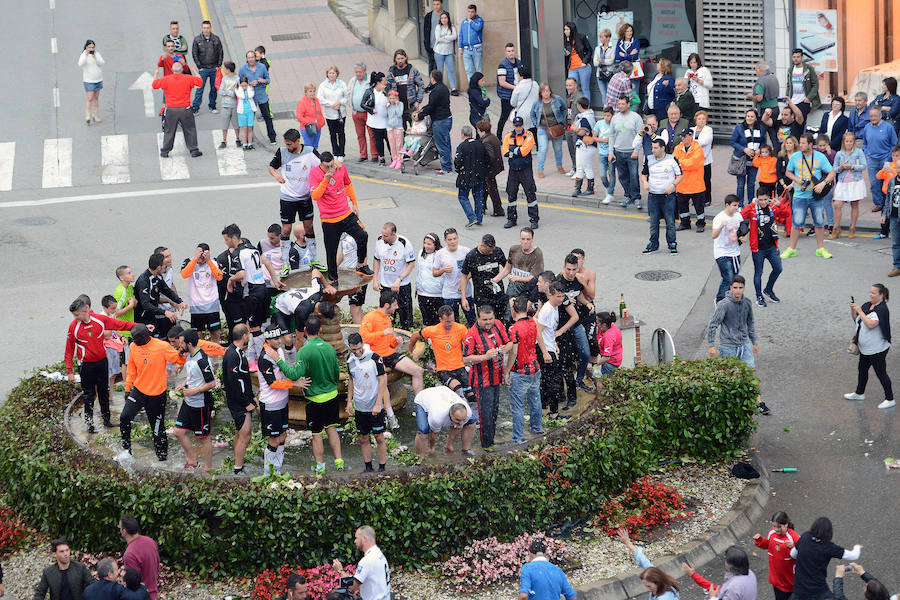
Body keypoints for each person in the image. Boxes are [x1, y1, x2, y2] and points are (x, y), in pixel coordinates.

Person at [65, 296, 136, 432]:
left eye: (77, 315)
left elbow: (120, 325)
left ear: (86, 309)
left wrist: (140, 326)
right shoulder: (74, 327)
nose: (75, 318)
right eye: (74, 316)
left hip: (102, 362)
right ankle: (89, 424)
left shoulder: (100, 320)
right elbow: (69, 350)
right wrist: (69, 371)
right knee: (89, 395)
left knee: (104, 392)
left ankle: (107, 421)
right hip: (86, 365)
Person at [120, 324, 186, 461]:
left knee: (157, 430)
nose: (134, 341)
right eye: (133, 338)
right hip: (138, 391)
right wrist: (127, 388)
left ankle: (162, 459)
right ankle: (127, 451)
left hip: (156, 395)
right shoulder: (133, 346)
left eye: (136, 339)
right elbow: (131, 368)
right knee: (124, 417)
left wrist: (182, 352)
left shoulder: (161, 346)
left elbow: (177, 359)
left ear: (146, 336)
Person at [309, 152, 373, 284]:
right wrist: (326, 179)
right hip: (329, 219)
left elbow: (348, 184)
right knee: (331, 251)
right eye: (327, 166)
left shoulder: (340, 167)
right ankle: (333, 278)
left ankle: (361, 265)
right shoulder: (314, 174)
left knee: (363, 235)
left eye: (332, 165)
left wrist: (354, 203)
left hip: (345, 213)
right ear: (321, 164)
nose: (331, 168)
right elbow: (315, 196)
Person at [463, 304, 512, 449]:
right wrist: (485, 356)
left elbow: (510, 343)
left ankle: (491, 441)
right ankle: (487, 446)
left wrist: (506, 348)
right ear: (478, 318)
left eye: (490, 318)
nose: (488, 322)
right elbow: (465, 359)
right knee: (486, 415)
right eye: (484, 319)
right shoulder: (471, 334)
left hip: (497, 376)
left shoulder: (497, 325)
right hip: (481, 380)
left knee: (494, 412)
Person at [360, 290, 425, 400]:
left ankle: (420, 405)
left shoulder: (387, 319)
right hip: (375, 357)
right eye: (395, 305)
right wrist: (382, 333)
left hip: (389, 354)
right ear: (386, 305)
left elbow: (390, 343)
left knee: (418, 371)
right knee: (380, 380)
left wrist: (396, 341)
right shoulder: (370, 317)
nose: (397, 307)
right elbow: (363, 339)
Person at [269, 129, 321, 263]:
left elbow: (322, 166)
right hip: (287, 197)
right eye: (286, 144)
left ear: (298, 141)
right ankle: (285, 262)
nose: (287, 147)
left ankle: (314, 259)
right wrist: (277, 175)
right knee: (286, 230)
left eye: (290, 144)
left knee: (309, 227)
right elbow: (271, 167)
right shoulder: (282, 152)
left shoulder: (310, 152)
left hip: (305, 197)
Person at [782, 132, 837, 259]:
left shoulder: (820, 157)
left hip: (815, 196)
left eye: (803, 143)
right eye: (800, 143)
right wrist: (796, 179)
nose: (800, 145)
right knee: (796, 223)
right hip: (800, 195)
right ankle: (792, 249)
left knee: (819, 222)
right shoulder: (795, 156)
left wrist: (823, 184)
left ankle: (820, 249)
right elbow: (788, 172)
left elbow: (832, 172)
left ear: (810, 144)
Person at [409, 304, 474, 405]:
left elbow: (469, 345)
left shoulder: (461, 329)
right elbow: (414, 336)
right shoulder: (433, 330)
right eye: (447, 321)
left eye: (452, 320)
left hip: (460, 367)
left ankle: (474, 418)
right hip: (443, 370)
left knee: (471, 396)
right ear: (440, 319)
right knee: (458, 390)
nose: (451, 323)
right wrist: (410, 351)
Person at [172, 329, 217, 473]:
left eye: (181, 343)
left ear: (189, 344)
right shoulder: (190, 354)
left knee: (203, 437)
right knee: (178, 431)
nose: (180, 346)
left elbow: (212, 383)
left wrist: (193, 391)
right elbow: (193, 375)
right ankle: (192, 460)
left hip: (201, 403)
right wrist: (185, 383)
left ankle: (208, 468)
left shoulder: (202, 360)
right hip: (189, 400)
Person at [345, 333, 389, 473]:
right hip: (359, 405)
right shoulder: (350, 360)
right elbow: (351, 380)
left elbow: (382, 380)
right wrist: (349, 402)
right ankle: (368, 467)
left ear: (363, 343)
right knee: (363, 437)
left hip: (374, 405)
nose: (357, 352)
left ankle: (382, 468)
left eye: (359, 349)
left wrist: (378, 403)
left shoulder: (375, 358)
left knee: (379, 437)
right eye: (354, 350)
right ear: (350, 348)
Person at [845, 284, 894, 408]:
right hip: (865, 349)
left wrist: (859, 311)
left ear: (881, 295)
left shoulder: (882, 309)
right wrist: (853, 310)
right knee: (862, 370)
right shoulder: (867, 305)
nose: (870, 295)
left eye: (873, 293)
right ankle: (859, 393)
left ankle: (890, 399)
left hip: (877, 349)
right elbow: (856, 319)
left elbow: (871, 324)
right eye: (870, 292)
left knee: (881, 373)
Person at [790, 517, 862, 600]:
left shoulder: (805, 537)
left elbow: (793, 554)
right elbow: (854, 556)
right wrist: (857, 547)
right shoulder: (829, 547)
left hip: (799, 588)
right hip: (818, 589)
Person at [505, 296, 543, 443]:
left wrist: (506, 371)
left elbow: (513, 353)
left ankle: (518, 437)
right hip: (534, 368)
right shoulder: (533, 322)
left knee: (518, 406)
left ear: (513, 310)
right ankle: (537, 428)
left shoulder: (514, 328)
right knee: (535, 400)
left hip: (520, 371)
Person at [707, 276, 761, 378]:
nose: (738, 291)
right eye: (735, 288)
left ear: (744, 288)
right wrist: (711, 345)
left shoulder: (747, 303)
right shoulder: (724, 305)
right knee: (729, 379)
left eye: (740, 288)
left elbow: (750, 323)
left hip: (745, 346)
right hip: (728, 347)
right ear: (731, 288)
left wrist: (754, 342)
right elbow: (713, 324)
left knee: (751, 377)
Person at [536, 282, 575, 419]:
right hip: (544, 349)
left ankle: (545, 410)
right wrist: (545, 351)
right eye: (558, 296)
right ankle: (552, 413)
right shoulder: (547, 309)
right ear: (551, 294)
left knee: (548, 380)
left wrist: (554, 342)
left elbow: (549, 330)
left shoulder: (555, 307)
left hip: (550, 346)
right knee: (552, 381)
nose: (561, 299)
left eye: (563, 296)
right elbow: (538, 332)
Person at [222, 323, 256, 475]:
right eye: (248, 334)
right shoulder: (232, 355)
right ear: (244, 336)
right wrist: (246, 402)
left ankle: (237, 462)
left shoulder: (238, 352)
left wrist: (252, 396)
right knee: (245, 436)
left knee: (239, 433)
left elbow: (244, 379)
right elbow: (233, 382)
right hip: (238, 403)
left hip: (242, 400)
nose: (249, 337)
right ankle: (238, 469)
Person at [741, 188, 783, 307]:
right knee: (758, 273)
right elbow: (741, 215)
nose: (763, 202)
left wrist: (780, 205)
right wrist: (751, 204)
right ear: (757, 199)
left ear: (769, 198)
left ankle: (768, 290)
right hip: (758, 249)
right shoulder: (753, 209)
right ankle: (759, 296)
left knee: (778, 268)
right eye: (760, 200)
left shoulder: (773, 208)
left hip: (772, 247)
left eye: (765, 199)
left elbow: (786, 215)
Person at [640, 137, 682, 254]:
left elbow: (680, 175)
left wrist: (672, 186)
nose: (653, 150)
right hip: (653, 196)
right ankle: (653, 244)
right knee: (653, 222)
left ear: (662, 148)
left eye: (655, 148)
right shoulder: (649, 159)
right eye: (652, 148)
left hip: (668, 197)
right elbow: (643, 174)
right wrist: (645, 182)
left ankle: (672, 243)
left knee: (670, 222)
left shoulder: (672, 159)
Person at [153, 62, 203, 158]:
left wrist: (155, 74)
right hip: (185, 108)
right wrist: (196, 72)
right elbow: (200, 82)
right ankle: (193, 150)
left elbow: (154, 85)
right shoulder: (188, 78)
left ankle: (165, 151)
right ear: (182, 70)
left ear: (172, 70)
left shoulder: (166, 79)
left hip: (171, 109)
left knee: (169, 130)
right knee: (189, 129)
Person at [615, 528, 680, 600]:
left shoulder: (663, 598)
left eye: (649, 586)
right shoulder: (665, 584)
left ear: (657, 582)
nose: (648, 589)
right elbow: (645, 563)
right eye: (646, 586)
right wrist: (628, 544)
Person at [373, 222, 417, 330]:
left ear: (394, 234)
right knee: (386, 314)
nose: (383, 238)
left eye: (386, 236)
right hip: (385, 285)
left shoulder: (404, 243)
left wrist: (399, 279)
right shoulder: (379, 241)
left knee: (405, 315)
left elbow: (411, 264)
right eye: (382, 235)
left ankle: (407, 335)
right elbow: (376, 259)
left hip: (402, 286)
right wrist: (375, 279)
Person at [413, 385, 477, 458]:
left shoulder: (468, 413)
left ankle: (466, 450)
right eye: (458, 419)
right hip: (423, 398)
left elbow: (457, 427)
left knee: (472, 421)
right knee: (423, 431)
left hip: (443, 391)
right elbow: (433, 433)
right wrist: (432, 448)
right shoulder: (437, 417)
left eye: (463, 420)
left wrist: (449, 444)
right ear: (450, 414)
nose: (461, 422)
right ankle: (420, 458)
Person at [331, 526, 390, 600]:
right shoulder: (379, 554)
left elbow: (351, 587)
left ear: (364, 538)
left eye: (356, 538)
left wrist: (340, 570)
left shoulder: (367, 560)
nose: (355, 541)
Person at [501, 116, 539, 228]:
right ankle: (511, 219)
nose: (518, 128)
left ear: (523, 125)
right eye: (516, 126)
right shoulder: (508, 136)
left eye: (520, 125)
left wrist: (513, 151)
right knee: (511, 194)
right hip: (513, 170)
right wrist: (517, 151)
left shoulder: (529, 135)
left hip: (525, 170)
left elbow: (525, 150)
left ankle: (534, 219)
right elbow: (505, 152)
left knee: (530, 194)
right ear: (513, 125)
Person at [179, 244, 223, 343]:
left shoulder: (214, 262)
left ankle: (214, 358)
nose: (201, 259)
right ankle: (202, 357)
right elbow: (184, 275)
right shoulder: (189, 261)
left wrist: (209, 261)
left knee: (215, 334)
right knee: (198, 336)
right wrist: (195, 259)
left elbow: (219, 277)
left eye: (203, 257)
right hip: (196, 306)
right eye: (199, 255)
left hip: (212, 305)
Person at [752, 511, 800, 600]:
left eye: (779, 527)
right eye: (774, 526)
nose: (776, 529)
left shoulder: (794, 537)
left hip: (790, 582)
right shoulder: (771, 533)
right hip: (776, 581)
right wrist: (760, 540)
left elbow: (804, 555)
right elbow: (768, 545)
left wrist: (792, 548)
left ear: (786, 524)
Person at [608, 95, 644, 210]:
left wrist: (636, 150)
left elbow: (640, 134)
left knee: (633, 176)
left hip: (631, 152)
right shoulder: (615, 118)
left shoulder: (636, 117)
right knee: (623, 176)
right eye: (619, 104)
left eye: (623, 104)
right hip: (618, 152)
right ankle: (628, 196)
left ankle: (636, 197)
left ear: (628, 104)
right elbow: (612, 136)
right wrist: (611, 152)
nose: (620, 106)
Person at [863, 105, 899, 215]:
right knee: (874, 183)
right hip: (872, 160)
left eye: (875, 115)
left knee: (887, 182)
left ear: (880, 116)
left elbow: (894, 143)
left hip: (885, 159)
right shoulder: (867, 127)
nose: (873, 118)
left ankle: (888, 203)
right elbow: (864, 143)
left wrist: (889, 157)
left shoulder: (888, 127)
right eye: (871, 116)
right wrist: (867, 154)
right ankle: (879, 204)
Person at [461, 234, 507, 319]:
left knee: (500, 320)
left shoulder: (497, 251)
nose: (491, 253)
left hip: (498, 293)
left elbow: (507, 267)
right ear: (482, 245)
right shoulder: (471, 256)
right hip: (482, 296)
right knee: (485, 321)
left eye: (492, 250)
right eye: (489, 251)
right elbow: (464, 276)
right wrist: (463, 298)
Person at [434, 228, 474, 324]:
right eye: (450, 239)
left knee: (472, 319)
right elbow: (435, 273)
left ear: (458, 238)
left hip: (466, 292)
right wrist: (443, 270)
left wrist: (463, 282)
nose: (453, 242)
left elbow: (473, 270)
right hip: (449, 293)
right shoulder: (440, 254)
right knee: (452, 322)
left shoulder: (466, 251)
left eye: (454, 238)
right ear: (445, 240)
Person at [493, 226, 544, 301]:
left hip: (528, 289)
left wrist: (517, 278)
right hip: (513, 288)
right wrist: (494, 280)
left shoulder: (537, 253)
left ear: (532, 240)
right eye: (523, 239)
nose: (525, 242)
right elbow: (507, 269)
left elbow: (533, 277)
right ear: (520, 239)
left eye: (528, 239)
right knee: (508, 307)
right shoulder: (514, 249)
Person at [417, 70, 453, 174]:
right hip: (447, 118)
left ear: (433, 78)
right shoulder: (444, 88)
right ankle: (448, 165)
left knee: (441, 145)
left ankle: (446, 168)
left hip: (440, 121)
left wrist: (420, 115)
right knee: (446, 143)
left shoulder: (436, 91)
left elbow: (431, 106)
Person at [833, 132, 866, 238]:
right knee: (837, 204)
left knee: (854, 205)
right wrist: (841, 167)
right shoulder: (839, 153)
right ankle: (836, 228)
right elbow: (834, 169)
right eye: (846, 141)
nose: (848, 143)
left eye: (851, 141)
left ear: (854, 142)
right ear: (843, 142)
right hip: (842, 182)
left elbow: (863, 165)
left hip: (855, 182)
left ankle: (852, 227)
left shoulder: (858, 152)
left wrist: (852, 166)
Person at [454, 125, 489, 227]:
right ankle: (479, 218)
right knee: (478, 196)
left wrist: (459, 170)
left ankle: (471, 217)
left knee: (463, 197)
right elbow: (487, 159)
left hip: (466, 176)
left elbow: (457, 161)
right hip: (479, 175)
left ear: (462, 135)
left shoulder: (462, 146)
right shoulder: (480, 144)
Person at [673, 127, 707, 232]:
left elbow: (694, 163)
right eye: (681, 136)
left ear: (691, 136)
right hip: (682, 184)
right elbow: (674, 162)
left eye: (685, 136)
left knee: (699, 207)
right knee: (682, 207)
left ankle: (701, 224)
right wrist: (683, 163)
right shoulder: (678, 148)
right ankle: (685, 223)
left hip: (696, 185)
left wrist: (681, 163)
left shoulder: (697, 148)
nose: (682, 138)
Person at [711, 196, 744, 302]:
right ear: (727, 205)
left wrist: (743, 237)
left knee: (734, 279)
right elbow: (714, 235)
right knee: (728, 278)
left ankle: (730, 299)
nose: (736, 208)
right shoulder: (719, 218)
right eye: (734, 205)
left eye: (737, 205)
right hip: (722, 253)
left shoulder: (738, 216)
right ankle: (720, 299)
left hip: (735, 252)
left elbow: (743, 229)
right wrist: (721, 226)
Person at [238, 50, 275, 143]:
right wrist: (249, 84)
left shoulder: (262, 67)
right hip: (250, 97)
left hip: (262, 95)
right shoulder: (243, 69)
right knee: (250, 119)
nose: (251, 59)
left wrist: (262, 80)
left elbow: (268, 79)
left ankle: (272, 137)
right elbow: (239, 83)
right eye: (249, 57)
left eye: (252, 57)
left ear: (255, 58)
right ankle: (248, 138)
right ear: (247, 59)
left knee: (267, 117)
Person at [731, 109, 766, 206]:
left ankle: (751, 204)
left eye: (752, 116)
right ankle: (740, 205)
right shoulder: (739, 127)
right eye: (748, 116)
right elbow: (732, 142)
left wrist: (760, 149)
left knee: (751, 184)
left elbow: (763, 141)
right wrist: (744, 149)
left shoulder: (761, 128)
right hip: (741, 160)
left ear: (755, 118)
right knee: (741, 184)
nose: (749, 118)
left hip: (754, 160)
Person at [119, 516, 160, 600]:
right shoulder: (150, 541)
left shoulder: (130, 554)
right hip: (153, 593)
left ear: (124, 531)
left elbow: (133, 583)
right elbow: (157, 564)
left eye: (119, 527)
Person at [531, 82, 567, 178]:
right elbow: (532, 114)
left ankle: (559, 166)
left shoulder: (557, 99)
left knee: (558, 149)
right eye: (543, 91)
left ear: (550, 91)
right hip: (542, 129)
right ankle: (540, 169)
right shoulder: (537, 103)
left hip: (556, 128)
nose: (546, 93)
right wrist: (536, 124)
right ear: (540, 93)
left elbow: (564, 109)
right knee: (543, 149)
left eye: (547, 91)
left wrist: (562, 120)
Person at [386, 49, 426, 131]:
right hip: (398, 106)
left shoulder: (412, 70)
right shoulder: (391, 72)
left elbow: (421, 85)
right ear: (395, 59)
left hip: (411, 106)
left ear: (406, 58)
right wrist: (391, 99)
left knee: (415, 130)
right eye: (398, 59)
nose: (400, 61)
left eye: (402, 58)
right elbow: (387, 88)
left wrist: (418, 101)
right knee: (400, 131)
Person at [190, 20, 223, 115]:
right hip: (203, 69)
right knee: (199, 89)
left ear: (210, 28)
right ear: (202, 28)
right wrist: (199, 67)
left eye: (208, 28)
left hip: (214, 68)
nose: (206, 30)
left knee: (214, 88)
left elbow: (220, 52)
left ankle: (212, 106)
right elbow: (194, 53)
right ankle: (195, 107)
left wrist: (219, 65)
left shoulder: (216, 39)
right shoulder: (197, 40)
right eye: (204, 28)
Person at [349, 63, 379, 162]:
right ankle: (363, 155)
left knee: (372, 134)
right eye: (356, 72)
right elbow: (348, 93)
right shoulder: (353, 80)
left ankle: (374, 155)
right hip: (356, 113)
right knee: (360, 135)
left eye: (360, 72)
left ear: (365, 71)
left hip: (368, 112)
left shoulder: (371, 80)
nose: (358, 74)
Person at [317, 66, 348, 160]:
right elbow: (320, 99)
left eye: (333, 73)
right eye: (330, 73)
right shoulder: (323, 85)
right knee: (333, 134)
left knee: (341, 133)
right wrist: (331, 104)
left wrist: (340, 102)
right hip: (329, 114)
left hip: (340, 114)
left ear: (337, 74)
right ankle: (335, 152)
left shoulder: (342, 84)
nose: (331, 75)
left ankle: (341, 154)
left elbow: (347, 96)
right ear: (327, 74)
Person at [477, 120, 505, 216]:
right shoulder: (493, 137)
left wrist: (482, 162)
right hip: (495, 167)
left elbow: (490, 156)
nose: (478, 133)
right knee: (486, 187)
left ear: (483, 131)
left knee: (491, 189)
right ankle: (482, 207)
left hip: (489, 169)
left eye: (479, 131)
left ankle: (498, 209)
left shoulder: (486, 141)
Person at [570, 97, 597, 197]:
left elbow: (582, 131)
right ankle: (578, 188)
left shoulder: (585, 117)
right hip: (583, 145)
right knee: (580, 167)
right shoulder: (585, 115)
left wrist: (575, 129)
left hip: (587, 145)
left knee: (586, 167)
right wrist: (576, 129)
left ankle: (590, 188)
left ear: (579, 106)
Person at [785, 49, 820, 122]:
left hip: (803, 101)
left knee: (800, 123)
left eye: (798, 57)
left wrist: (808, 98)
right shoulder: (790, 70)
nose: (796, 59)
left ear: (802, 58)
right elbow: (788, 85)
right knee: (790, 122)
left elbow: (815, 85)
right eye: (794, 57)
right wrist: (787, 97)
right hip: (792, 101)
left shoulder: (809, 69)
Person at [590, 107, 616, 203]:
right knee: (602, 175)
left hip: (612, 153)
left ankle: (610, 194)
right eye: (604, 115)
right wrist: (602, 140)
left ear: (612, 116)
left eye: (608, 115)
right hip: (602, 153)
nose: (606, 117)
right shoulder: (599, 124)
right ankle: (608, 188)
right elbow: (594, 138)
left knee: (611, 174)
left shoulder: (615, 124)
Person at [496, 44, 523, 136]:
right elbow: (502, 82)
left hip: (518, 95)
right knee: (504, 116)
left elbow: (522, 76)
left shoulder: (519, 63)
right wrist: (516, 88)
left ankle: (520, 135)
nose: (511, 53)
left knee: (520, 116)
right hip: (506, 96)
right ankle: (498, 136)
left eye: (512, 51)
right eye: (509, 51)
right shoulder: (502, 65)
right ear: (505, 52)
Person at [563, 22, 593, 106]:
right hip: (572, 68)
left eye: (567, 29)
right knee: (570, 88)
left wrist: (585, 61)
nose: (565, 31)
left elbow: (589, 50)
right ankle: (572, 108)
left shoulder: (581, 37)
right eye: (565, 29)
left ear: (571, 30)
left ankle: (586, 109)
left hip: (582, 66)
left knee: (585, 88)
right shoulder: (565, 40)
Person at [563, 77, 587, 174]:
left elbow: (583, 113)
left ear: (575, 85)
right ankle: (574, 168)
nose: (568, 87)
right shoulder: (568, 97)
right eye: (567, 85)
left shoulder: (580, 97)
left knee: (578, 150)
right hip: (568, 127)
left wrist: (579, 126)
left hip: (576, 128)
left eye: (570, 85)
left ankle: (580, 170)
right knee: (571, 150)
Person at [78, 40, 105, 124]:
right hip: (89, 80)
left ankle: (95, 116)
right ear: (86, 47)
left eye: (92, 47)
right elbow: (80, 64)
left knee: (96, 98)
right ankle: (87, 116)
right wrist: (86, 56)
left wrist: (95, 58)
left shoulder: (97, 54)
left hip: (98, 79)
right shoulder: (83, 55)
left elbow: (102, 63)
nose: (91, 49)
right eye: (89, 47)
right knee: (90, 98)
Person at [510, 67, 540, 139]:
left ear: (521, 76)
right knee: (534, 132)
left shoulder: (519, 87)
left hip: (523, 114)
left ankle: (527, 148)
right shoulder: (535, 84)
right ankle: (538, 147)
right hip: (535, 112)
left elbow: (513, 103)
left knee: (524, 135)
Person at [433, 12, 458, 95]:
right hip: (439, 52)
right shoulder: (438, 27)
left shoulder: (452, 27)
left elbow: (454, 37)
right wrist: (448, 39)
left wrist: (445, 37)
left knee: (450, 70)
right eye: (442, 18)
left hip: (449, 53)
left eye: (445, 18)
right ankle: (441, 88)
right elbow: (438, 39)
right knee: (440, 71)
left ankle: (453, 88)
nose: (444, 19)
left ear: (448, 18)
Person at [458, 4, 484, 83]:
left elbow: (478, 28)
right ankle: (472, 89)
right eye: (468, 12)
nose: (470, 14)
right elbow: (461, 35)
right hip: (466, 49)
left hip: (477, 48)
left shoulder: (479, 20)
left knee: (478, 70)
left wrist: (470, 22)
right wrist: (460, 47)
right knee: (468, 70)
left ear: (475, 12)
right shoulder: (464, 22)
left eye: (472, 12)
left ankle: (480, 88)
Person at [593, 311, 622, 382]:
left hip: (610, 363)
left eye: (598, 322)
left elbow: (606, 357)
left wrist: (595, 365)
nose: (596, 324)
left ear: (604, 325)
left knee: (605, 382)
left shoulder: (608, 336)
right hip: (616, 358)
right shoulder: (610, 325)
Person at [296, 82, 326, 151]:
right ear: (306, 92)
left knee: (315, 146)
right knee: (309, 148)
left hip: (317, 128)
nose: (312, 93)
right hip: (308, 128)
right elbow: (299, 116)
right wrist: (309, 123)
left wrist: (322, 121)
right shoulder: (302, 102)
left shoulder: (316, 100)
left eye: (314, 91)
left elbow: (319, 112)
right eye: (310, 91)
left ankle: (314, 160)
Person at [218, 62, 241, 148]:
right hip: (225, 105)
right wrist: (229, 92)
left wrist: (227, 91)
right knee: (224, 124)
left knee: (236, 124)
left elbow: (237, 93)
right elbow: (220, 91)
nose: (223, 70)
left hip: (234, 105)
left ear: (228, 69)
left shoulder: (237, 79)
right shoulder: (224, 79)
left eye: (224, 68)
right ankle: (224, 140)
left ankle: (238, 139)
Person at [645, 58, 675, 122]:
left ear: (663, 66)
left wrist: (667, 86)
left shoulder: (669, 78)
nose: (657, 64)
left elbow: (673, 93)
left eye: (659, 63)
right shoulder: (656, 75)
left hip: (661, 109)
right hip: (651, 107)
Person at [423, 0, 448, 74]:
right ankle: (431, 84)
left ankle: (437, 84)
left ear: (441, 4)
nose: (436, 6)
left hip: (440, 46)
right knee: (431, 65)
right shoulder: (428, 16)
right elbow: (425, 31)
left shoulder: (445, 16)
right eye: (434, 4)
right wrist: (426, 44)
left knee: (438, 67)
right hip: (430, 46)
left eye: (438, 4)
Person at [614, 22, 640, 94]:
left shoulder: (635, 41)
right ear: (623, 32)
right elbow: (617, 56)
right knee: (623, 92)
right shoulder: (620, 41)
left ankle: (634, 106)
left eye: (631, 31)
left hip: (633, 69)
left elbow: (635, 56)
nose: (629, 33)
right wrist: (629, 55)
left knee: (634, 92)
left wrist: (624, 55)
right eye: (627, 31)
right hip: (622, 70)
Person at [593, 29, 615, 106]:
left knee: (610, 94)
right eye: (600, 37)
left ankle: (610, 111)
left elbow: (611, 61)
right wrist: (605, 61)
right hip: (600, 74)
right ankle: (605, 111)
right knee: (603, 94)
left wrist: (601, 60)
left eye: (603, 37)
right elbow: (595, 62)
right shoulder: (597, 48)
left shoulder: (613, 48)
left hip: (609, 73)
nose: (601, 39)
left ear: (608, 37)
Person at [386, 90, 405, 169]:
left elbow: (399, 114)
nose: (392, 100)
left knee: (399, 145)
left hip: (398, 127)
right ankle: (394, 159)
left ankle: (399, 160)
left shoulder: (400, 104)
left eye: (393, 98)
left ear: (397, 98)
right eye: (390, 98)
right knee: (392, 145)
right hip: (390, 127)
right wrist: (386, 106)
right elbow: (386, 114)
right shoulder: (389, 105)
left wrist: (396, 105)